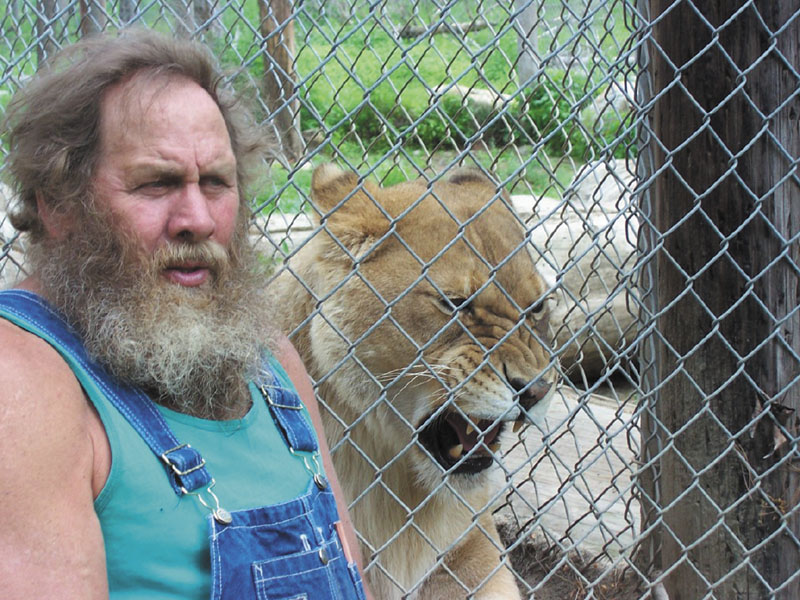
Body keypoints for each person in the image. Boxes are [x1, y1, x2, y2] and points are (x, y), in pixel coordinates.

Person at [0, 28, 371, 600]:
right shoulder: (20, 379)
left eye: (216, 183)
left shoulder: (269, 358)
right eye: (158, 183)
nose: (197, 218)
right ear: (58, 205)